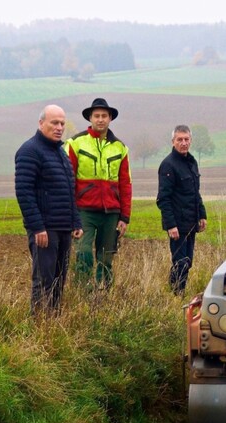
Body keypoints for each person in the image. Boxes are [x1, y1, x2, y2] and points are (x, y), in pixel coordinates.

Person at [14, 105, 83, 316]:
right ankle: (39, 326)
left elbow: (69, 190)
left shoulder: (60, 153)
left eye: (62, 123)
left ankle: (53, 325)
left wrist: (76, 221)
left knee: (59, 281)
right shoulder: (29, 150)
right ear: (41, 123)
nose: (59, 127)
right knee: (43, 281)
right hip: (45, 230)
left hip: (63, 227)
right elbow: (24, 192)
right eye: (54, 123)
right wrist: (37, 227)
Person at [65, 98, 132, 291]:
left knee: (106, 258)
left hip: (111, 213)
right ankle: (82, 295)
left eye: (104, 116)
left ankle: (105, 297)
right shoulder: (75, 143)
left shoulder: (120, 148)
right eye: (97, 116)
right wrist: (71, 214)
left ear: (110, 118)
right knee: (84, 253)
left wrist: (124, 217)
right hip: (84, 211)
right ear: (90, 118)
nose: (100, 119)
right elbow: (68, 181)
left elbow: (126, 184)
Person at [156, 125, 207, 295]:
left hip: (191, 222)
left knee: (188, 262)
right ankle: (176, 294)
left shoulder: (192, 163)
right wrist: (171, 225)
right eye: (180, 139)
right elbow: (163, 199)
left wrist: (202, 215)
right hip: (177, 225)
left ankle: (177, 292)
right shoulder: (168, 165)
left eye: (186, 139)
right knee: (180, 262)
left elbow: (195, 192)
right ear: (173, 142)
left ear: (190, 141)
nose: (183, 143)